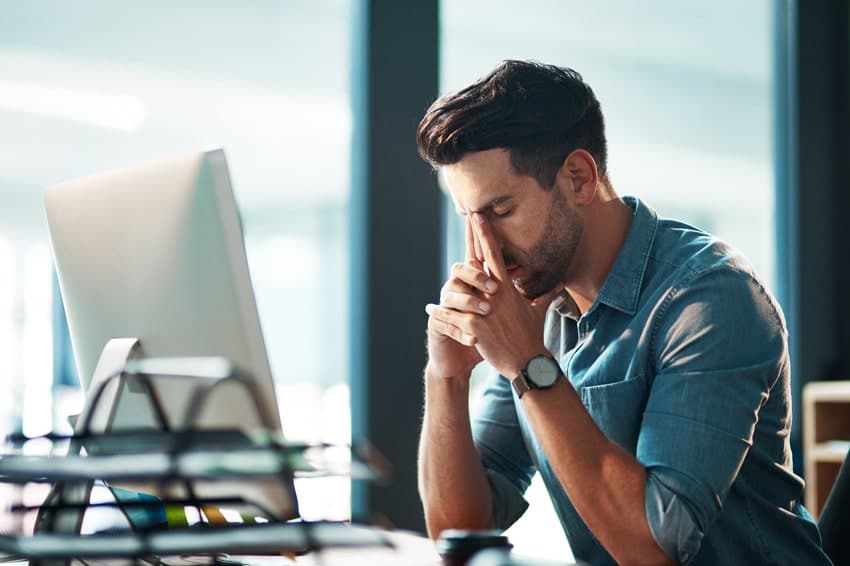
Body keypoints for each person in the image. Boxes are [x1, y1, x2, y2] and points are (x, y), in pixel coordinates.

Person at [416, 60, 832, 565]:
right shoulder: (538, 309)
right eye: (469, 218)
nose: (484, 250)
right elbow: (460, 533)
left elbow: (656, 547)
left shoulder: (711, 300)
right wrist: (447, 375)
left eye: (500, 211)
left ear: (577, 177)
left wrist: (528, 363)